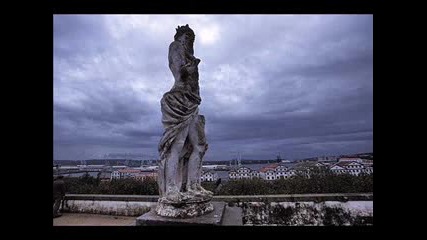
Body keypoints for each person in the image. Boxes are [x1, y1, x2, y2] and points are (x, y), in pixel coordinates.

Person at [157, 24, 213, 203]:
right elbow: (178, 73)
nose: (190, 42)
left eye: (192, 39)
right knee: (177, 145)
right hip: (179, 100)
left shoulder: (190, 55)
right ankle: (172, 189)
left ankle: (193, 186)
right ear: (181, 38)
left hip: (193, 103)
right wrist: (187, 68)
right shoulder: (175, 47)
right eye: (188, 38)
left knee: (199, 146)